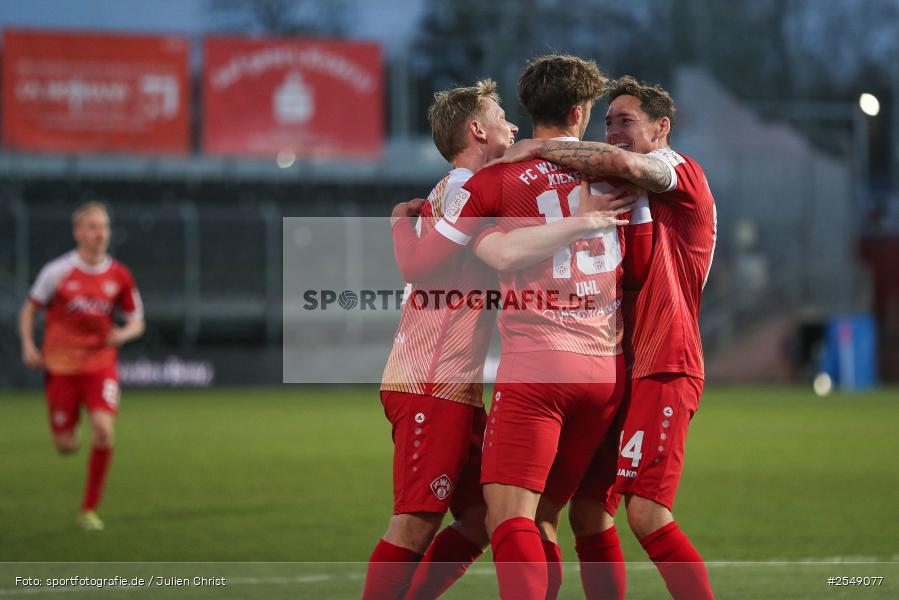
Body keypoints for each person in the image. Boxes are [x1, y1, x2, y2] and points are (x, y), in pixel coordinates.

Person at [391, 54, 636, 600]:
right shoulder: (619, 169)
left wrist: (398, 224)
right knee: (561, 516)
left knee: (507, 517)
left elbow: (480, 255)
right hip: (606, 370)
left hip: (536, 369)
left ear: (529, 109)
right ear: (580, 111)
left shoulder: (495, 181)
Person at [494, 75, 717, 600]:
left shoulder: (677, 169)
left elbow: (623, 164)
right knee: (589, 511)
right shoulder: (621, 192)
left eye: (626, 121)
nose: (613, 132)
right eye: (608, 120)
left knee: (647, 511)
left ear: (662, 127)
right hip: (617, 365)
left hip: (666, 361)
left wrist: (540, 145)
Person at [363, 79, 517, 600]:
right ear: (477, 130)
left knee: (480, 519)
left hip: (456, 385)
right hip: (431, 381)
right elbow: (420, 267)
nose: (512, 125)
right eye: (501, 115)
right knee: (415, 521)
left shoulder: (458, 191)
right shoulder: (461, 190)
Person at [19, 201, 145, 531]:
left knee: (104, 430)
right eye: (91, 227)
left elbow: (137, 321)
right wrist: (29, 346)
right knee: (67, 446)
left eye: (103, 226)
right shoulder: (57, 271)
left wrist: (122, 335)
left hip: (100, 365)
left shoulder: (119, 274)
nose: (99, 233)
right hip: (61, 367)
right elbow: (30, 309)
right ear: (78, 232)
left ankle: (89, 509)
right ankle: (67, 427)